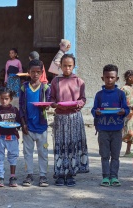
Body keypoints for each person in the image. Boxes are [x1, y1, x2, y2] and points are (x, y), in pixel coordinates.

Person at [50, 54, 89, 187]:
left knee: (72, 145)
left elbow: (83, 99)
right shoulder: (55, 81)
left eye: (70, 66)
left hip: (74, 117)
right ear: (60, 66)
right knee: (61, 145)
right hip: (60, 117)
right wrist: (54, 104)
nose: (67, 68)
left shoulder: (79, 81)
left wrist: (78, 103)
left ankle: (71, 174)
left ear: (73, 66)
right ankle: (60, 174)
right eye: (64, 65)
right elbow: (52, 99)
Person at [91, 64, 130, 187]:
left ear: (117, 78)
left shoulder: (120, 94)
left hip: (117, 130)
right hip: (103, 130)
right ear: (102, 78)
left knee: (115, 155)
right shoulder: (99, 95)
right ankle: (105, 177)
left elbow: (126, 109)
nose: (109, 80)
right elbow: (93, 110)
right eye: (107, 77)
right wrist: (96, 112)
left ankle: (114, 177)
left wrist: (123, 111)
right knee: (104, 155)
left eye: (112, 77)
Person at [19, 59, 50, 187]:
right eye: (33, 72)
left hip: (42, 126)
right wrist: (23, 123)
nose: (36, 74)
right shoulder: (24, 87)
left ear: (42, 72)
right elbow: (21, 106)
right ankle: (29, 174)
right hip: (28, 126)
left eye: (38, 72)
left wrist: (46, 106)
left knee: (43, 152)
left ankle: (43, 175)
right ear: (28, 72)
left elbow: (48, 103)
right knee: (28, 152)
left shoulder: (46, 87)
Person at [0, 88, 21, 187]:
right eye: (2, 99)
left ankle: (12, 177)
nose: (4, 101)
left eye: (6, 98)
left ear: (11, 99)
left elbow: (19, 123)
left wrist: (18, 125)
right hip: (0, 136)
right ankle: (0, 177)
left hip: (12, 136)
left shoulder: (15, 110)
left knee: (13, 156)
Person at [121, 70, 133, 157]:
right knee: (129, 132)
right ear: (130, 78)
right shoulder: (123, 89)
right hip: (128, 113)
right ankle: (116, 143)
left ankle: (128, 151)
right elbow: (121, 101)